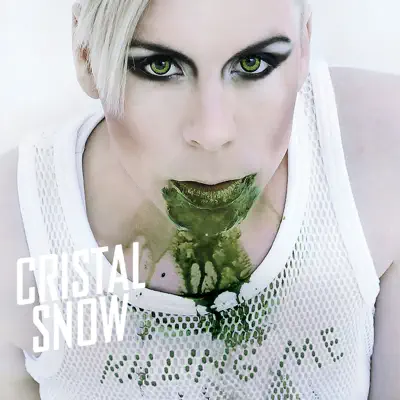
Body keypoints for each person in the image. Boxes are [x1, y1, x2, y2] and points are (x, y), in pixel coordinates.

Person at [0, 0, 399, 398]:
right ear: (85, 56)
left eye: (253, 64)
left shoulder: (382, 153)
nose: (212, 133)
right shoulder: (15, 234)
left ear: (304, 45)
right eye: (160, 66)